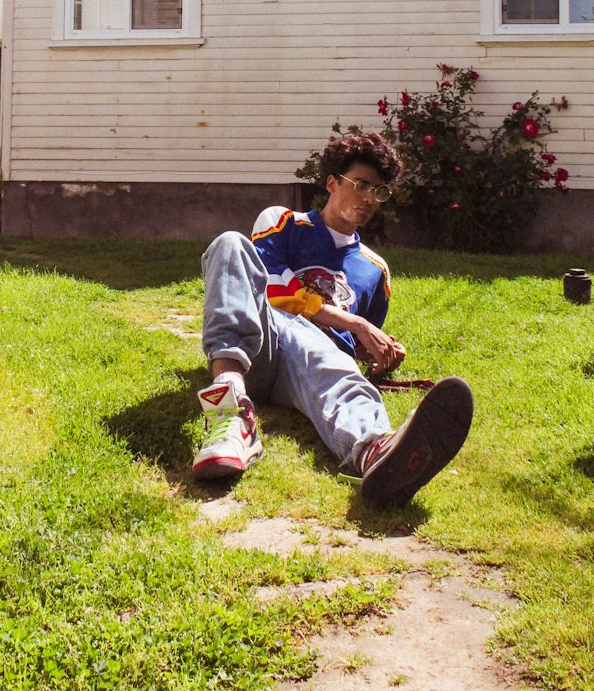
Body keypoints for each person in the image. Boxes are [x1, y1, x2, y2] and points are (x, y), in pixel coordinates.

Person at [193, 131, 474, 511]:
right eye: (361, 185)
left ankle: (377, 452)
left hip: (311, 370)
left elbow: (352, 348)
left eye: (379, 191)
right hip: (260, 347)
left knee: (327, 360)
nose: (370, 198)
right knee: (229, 243)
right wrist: (355, 324)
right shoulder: (283, 222)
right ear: (331, 183)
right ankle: (228, 413)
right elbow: (275, 292)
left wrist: (380, 352)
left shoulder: (376, 270)